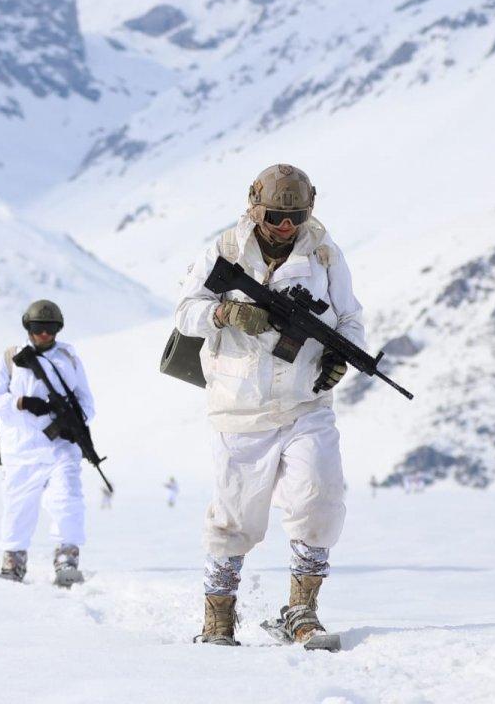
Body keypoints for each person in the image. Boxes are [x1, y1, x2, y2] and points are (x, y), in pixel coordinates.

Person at [175, 164, 361, 650]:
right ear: (256, 208)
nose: (285, 226)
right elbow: (185, 312)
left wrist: (341, 354)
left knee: (319, 499)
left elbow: (349, 318)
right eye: (276, 215)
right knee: (234, 520)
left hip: (306, 403)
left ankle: (302, 613)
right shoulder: (226, 251)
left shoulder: (323, 254)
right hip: (240, 408)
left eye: (295, 215)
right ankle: (219, 618)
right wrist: (225, 311)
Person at [0, 300, 96, 587]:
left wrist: (73, 421)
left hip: (61, 447)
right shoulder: (11, 358)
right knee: (18, 507)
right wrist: (20, 402)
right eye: (38, 328)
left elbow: (87, 403)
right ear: (28, 328)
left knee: (68, 500)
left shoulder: (69, 358)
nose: (44, 335)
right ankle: (13, 562)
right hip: (20, 449)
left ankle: (67, 559)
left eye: (51, 329)